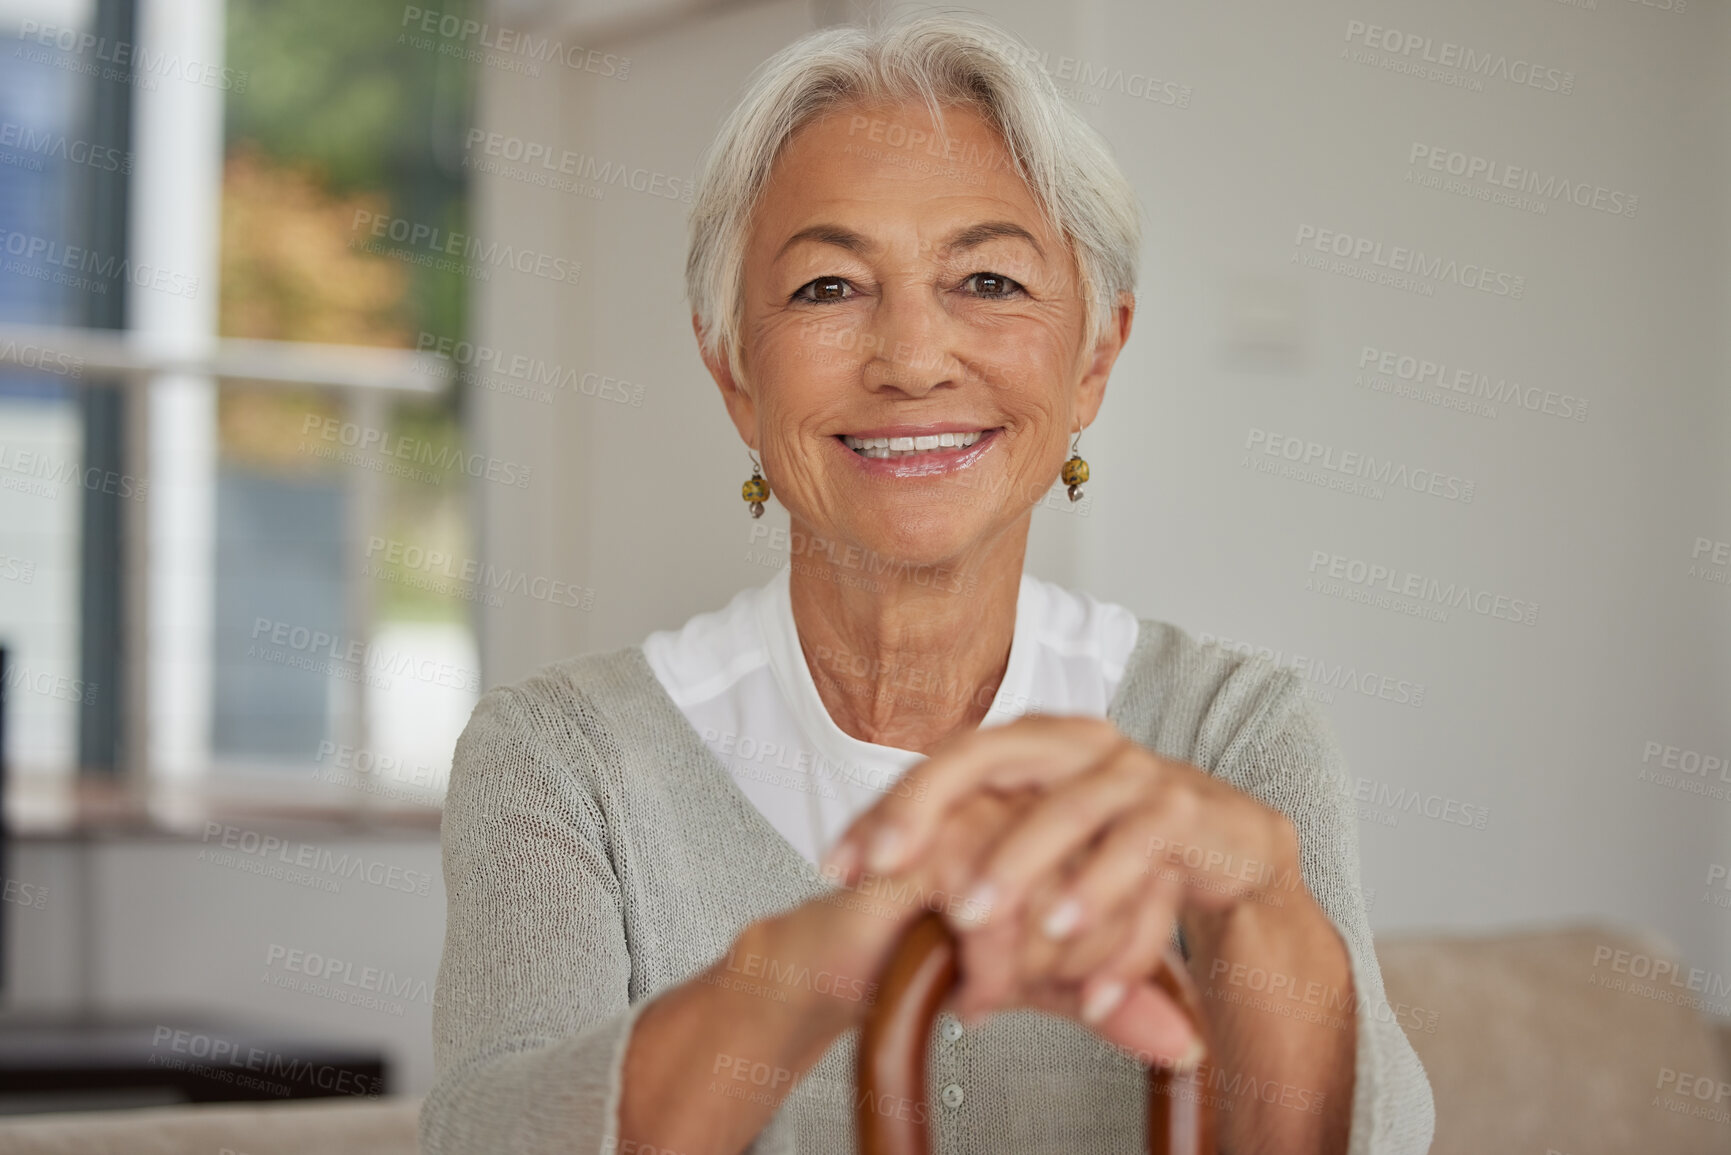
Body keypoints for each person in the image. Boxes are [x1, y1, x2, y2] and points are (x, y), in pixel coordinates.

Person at [420, 12, 1435, 1154]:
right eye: (827, 289)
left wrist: (1257, 908)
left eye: (989, 279)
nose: (912, 358)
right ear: (733, 372)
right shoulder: (560, 759)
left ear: (1094, 357)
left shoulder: (1232, 731)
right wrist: (826, 949)